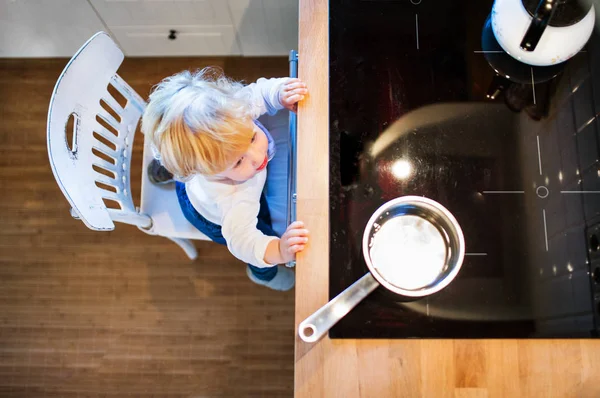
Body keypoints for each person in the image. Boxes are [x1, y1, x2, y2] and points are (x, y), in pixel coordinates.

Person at [141, 67, 309, 291]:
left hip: (194, 178)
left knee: (184, 162)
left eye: (251, 137)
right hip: (209, 216)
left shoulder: (233, 110)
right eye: (238, 162)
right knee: (264, 232)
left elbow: (258, 94)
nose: (258, 157)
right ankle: (263, 275)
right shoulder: (233, 200)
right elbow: (244, 244)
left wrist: (279, 92)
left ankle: (169, 168)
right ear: (208, 172)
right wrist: (279, 251)